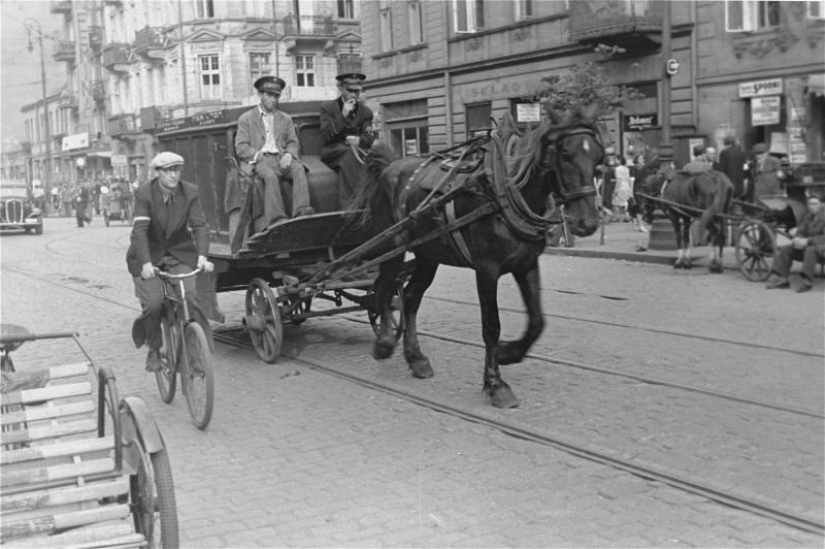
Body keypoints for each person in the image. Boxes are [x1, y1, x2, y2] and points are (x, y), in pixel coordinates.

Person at [126, 152, 212, 372]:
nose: (174, 175)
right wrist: (145, 263)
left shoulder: (189, 191)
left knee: (190, 299)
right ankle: (154, 348)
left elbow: (200, 226)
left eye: (177, 169)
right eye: (168, 170)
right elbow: (140, 232)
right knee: (154, 304)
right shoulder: (144, 193)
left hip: (178, 253)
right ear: (158, 173)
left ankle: (194, 357)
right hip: (147, 254)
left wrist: (202, 255)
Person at [235, 75, 314, 230]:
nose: (273, 99)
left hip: (281, 157)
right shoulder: (246, 119)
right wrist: (258, 156)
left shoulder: (285, 118)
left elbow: (292, 142)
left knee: (298, 169)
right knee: (270, 177)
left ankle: (302, 211)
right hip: (260, 159)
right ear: (260, 94)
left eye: (276, 96)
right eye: (268, 95)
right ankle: (277, 220)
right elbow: (241, 147)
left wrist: (289, 155)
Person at [320, 72, 376, 209]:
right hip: (332, 150)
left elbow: (369, 136)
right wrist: (343, 115)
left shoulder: (366, 112)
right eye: (349, 91)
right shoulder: (328, 108)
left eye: (357, 91)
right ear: (340, 88)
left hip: (358, 149)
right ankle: (351, 205)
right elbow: (326, 136)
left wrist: (359, 140)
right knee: (349, 156)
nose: (354, 95)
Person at [765, 194, 825, 293]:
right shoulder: (808, 218)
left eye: (815, 204)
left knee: (810, 250)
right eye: (810, 204)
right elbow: (801, 232)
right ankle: (782, 279)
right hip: (809, 247)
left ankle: (807, 282)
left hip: (821, 248)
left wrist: (807, 241)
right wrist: (797, 239)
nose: (812, 207)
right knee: (786, 249)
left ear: (821, 205)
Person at [718, 135, 747, 200]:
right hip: (740, 187)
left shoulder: (723, 153)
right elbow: (745, 170)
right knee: (737, 207)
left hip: (728, 187)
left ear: (725, 143)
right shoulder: (742, 153)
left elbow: (722, 172)